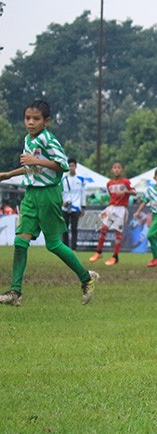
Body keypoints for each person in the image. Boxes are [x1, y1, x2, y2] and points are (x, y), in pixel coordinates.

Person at [0, 100, 99, 307]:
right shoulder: (28, 139)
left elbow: (62, 165)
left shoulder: (48, 139)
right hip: (31, 195)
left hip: (49, 195)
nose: (31, 122)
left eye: (36, 119)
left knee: (54, 244)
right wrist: (9, 174)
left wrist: (36, 161)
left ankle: (86, 278)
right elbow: (32, 168)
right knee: (20, 242)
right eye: (28, 118)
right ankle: (15, 292)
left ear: (46, 121)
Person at [89, 161, 137, 265]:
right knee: (103, 229)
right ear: (112, 170)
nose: (116, 169)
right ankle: (98, 252)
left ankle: (115, 257)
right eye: (114, 167)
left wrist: (125, 192)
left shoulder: (126, 182)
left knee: (117, 233)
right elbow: (111, 195)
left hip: (121, 209)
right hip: (111, 208)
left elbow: (134, 192)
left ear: (122, 170)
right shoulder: (109, 183)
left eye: (119, 167)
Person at [61, 157, 90, 250]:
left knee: (74, 228)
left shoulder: (80, 179)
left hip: (76, 207)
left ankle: (74, 248)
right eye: (69, 166)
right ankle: (65, 247)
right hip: (65, 207)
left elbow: (83, 193)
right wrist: (62, 203)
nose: (71, 168)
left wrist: (83, 207)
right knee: (64, 228)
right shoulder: (64, 179)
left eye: (72, 166)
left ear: (76, 166)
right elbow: (60, 192)